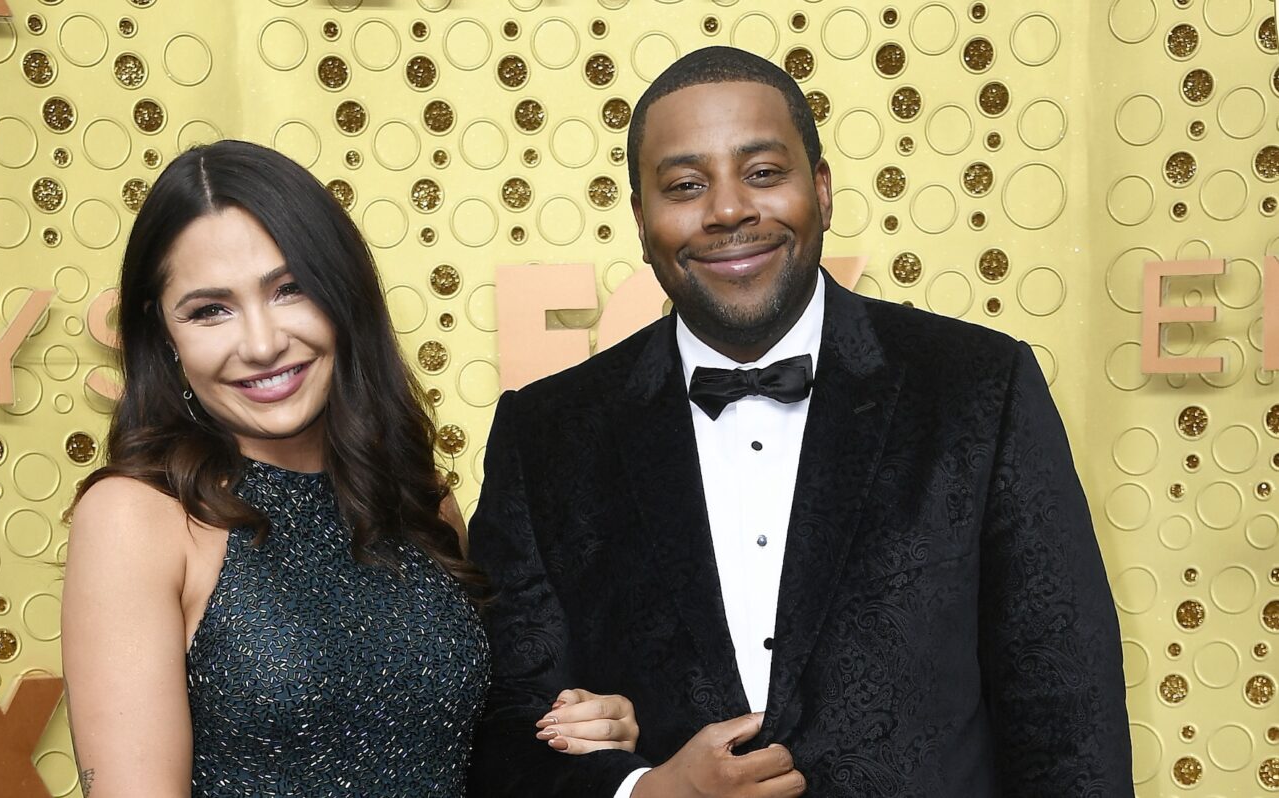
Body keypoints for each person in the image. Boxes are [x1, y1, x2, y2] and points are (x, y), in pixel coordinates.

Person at [467, 47, 1131, 797]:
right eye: (685, 185)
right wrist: (640, 789)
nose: (728, 210)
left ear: (821, 189)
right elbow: (500, 730)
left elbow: (1067, 717)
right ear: (641, 220)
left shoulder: (978, 386)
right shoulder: (545, 434)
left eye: (762, 173)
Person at [60, 140, 639, 797]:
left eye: (290, 290)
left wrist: (581, 737)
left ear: (343, 295)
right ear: (163, 333)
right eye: (210, 310)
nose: (262, 344)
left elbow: (466, 757)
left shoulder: (420, 501)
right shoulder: (138, 517)